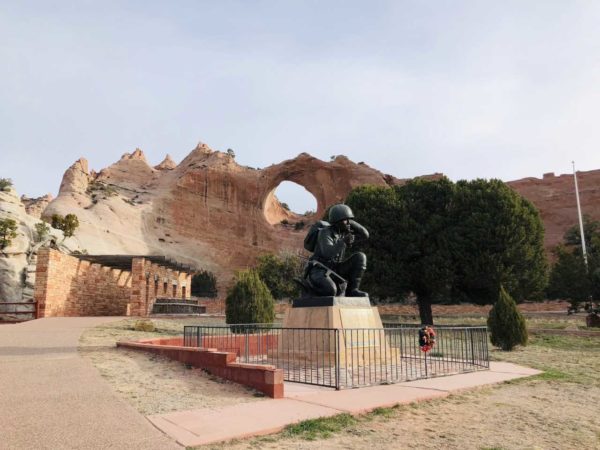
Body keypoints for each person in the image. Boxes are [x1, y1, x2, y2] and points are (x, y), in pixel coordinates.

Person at [306, 204, 369, 297]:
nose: (348, 222)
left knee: (360, 257)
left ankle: (353, 290)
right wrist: (343, 242)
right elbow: (328, 254)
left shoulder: (344, 232)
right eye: (345, 220)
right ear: (336, 221)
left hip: (335, 268)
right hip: (320, 270)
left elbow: (365, 235)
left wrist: (349, 221)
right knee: (331, 291)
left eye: (349, 220)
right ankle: (310, 290)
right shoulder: (325, 233)